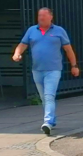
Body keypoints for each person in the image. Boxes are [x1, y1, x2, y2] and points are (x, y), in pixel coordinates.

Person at [12, 7, 79, 135]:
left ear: (51, 17)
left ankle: (47, 122)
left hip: (53, 69)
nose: (41, 18)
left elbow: (68, 50)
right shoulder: (32, 30)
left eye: (44, 15)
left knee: (49, 96)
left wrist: (74, 65)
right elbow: (22, 44)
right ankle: (52, 120)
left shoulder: (59, 31)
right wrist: (17, 53)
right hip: (37, 69)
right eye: (39, 16)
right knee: (44, 97)